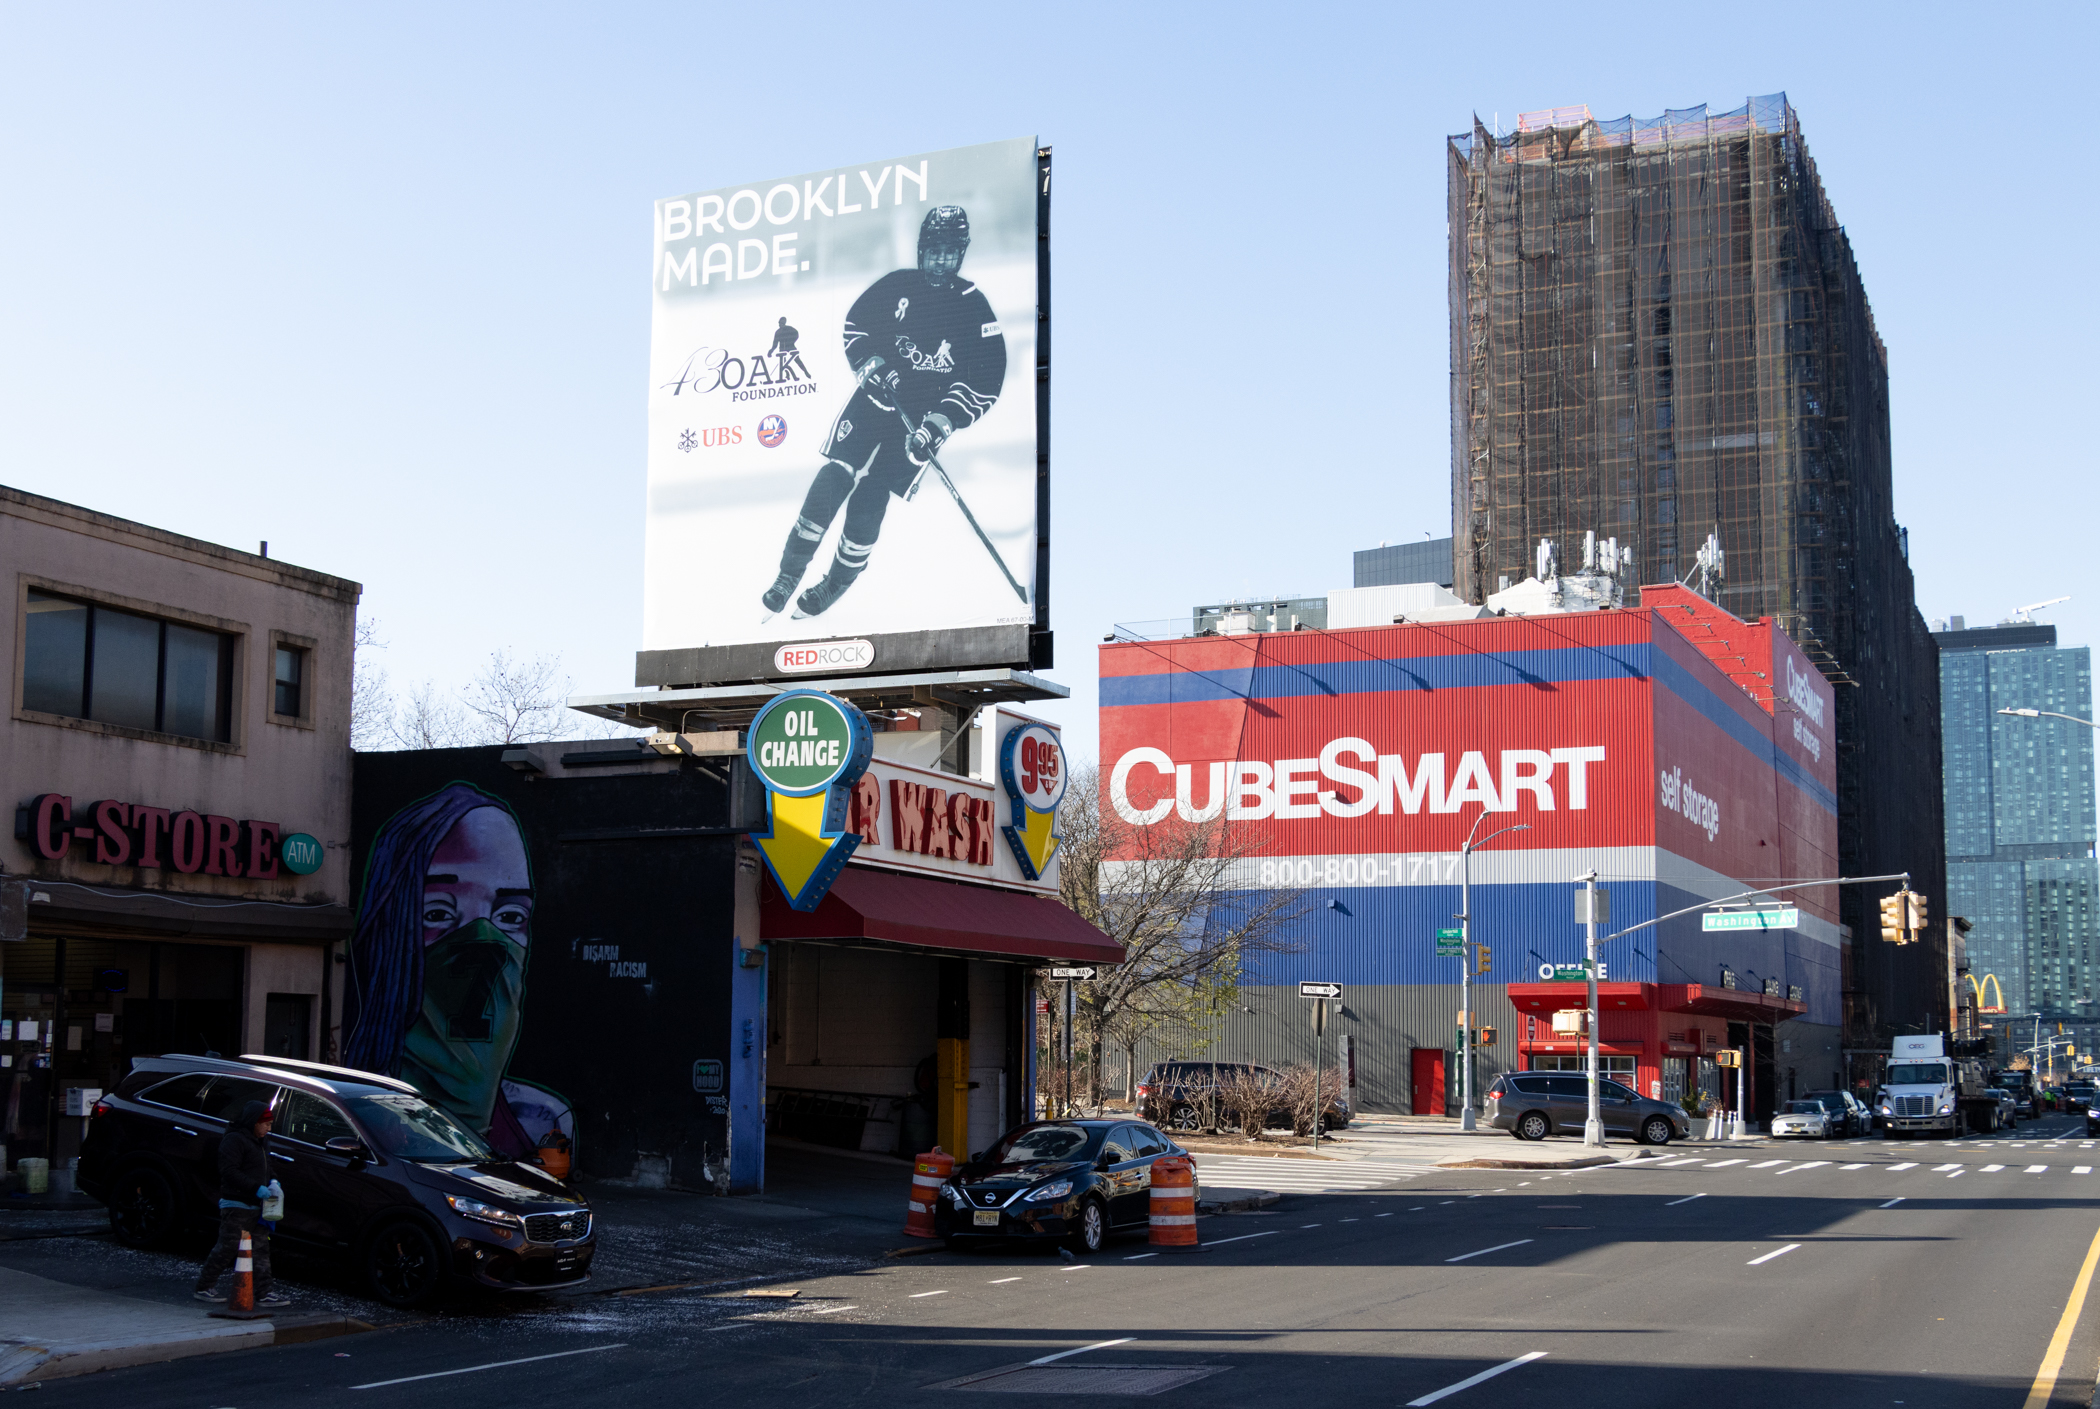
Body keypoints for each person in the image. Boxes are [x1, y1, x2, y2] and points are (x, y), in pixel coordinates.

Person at [760, 204, 1008, 620]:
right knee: (834, 475)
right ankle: (789, 573)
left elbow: (986, 380)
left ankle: (837, 580)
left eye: (949, 252)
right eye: (933, 251)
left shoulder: (974, 305)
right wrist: (872, 365)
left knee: (872, 494)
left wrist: (940, 421)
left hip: (921, 424)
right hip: (875, 401)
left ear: (962, 252)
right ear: (920, 250)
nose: (940, 260)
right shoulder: (897, 285)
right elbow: (857, 326)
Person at [343, 782, 571, 1159]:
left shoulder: (542, 1120)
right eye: (437, 913)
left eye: (510, 915)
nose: (482, 941)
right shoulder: (356, 1112)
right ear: (387, 923)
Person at [194, 1100, 289, 1307]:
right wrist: (256, 1187)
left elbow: (265, 1167)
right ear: (254, 1122)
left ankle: (264, 1292)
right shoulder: (235, 1140)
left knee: (261, 1249)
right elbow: (229, 1171)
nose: (268, 1128)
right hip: (236, 1204)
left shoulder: (260, 1141)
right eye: (265, 1124)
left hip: (257, 1205)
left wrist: (272, 1181)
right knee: (227, 1247)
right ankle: (204, 1286)